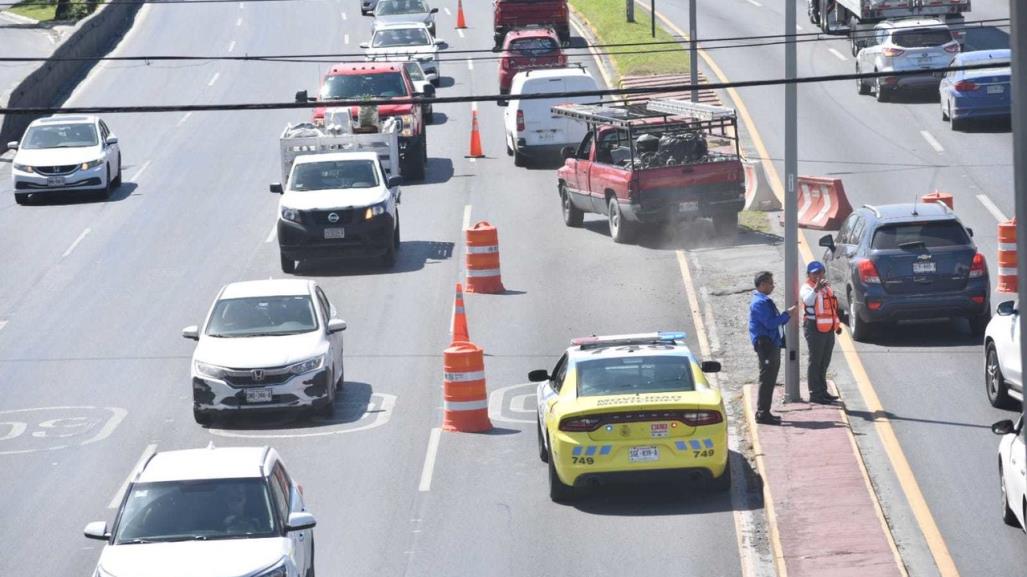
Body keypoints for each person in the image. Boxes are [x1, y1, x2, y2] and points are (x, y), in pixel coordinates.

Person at [749, 271, 797, 425]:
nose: (773, 285)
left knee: (770, 380)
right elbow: (770, 323)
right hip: (767, 346)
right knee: (767, 380)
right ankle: (762, 414)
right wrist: (786, 315)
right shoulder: (759, 303)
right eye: (770, 283)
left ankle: (765, 412)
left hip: (771, 344)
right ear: (762, 284)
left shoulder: (764, 301)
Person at [801, 261, 842, 404]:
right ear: (809, 274)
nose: (819, 275)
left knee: (824, 361)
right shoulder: (807, 287)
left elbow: (832, 307)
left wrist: (836, 326)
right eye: (815, 273)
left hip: (828, 328)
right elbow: (808, 301)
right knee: (815, 361)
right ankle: (815, 394)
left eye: (821, 272)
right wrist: (816, 289)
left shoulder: (826, 287)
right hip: (814, 328)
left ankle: (823, 391)